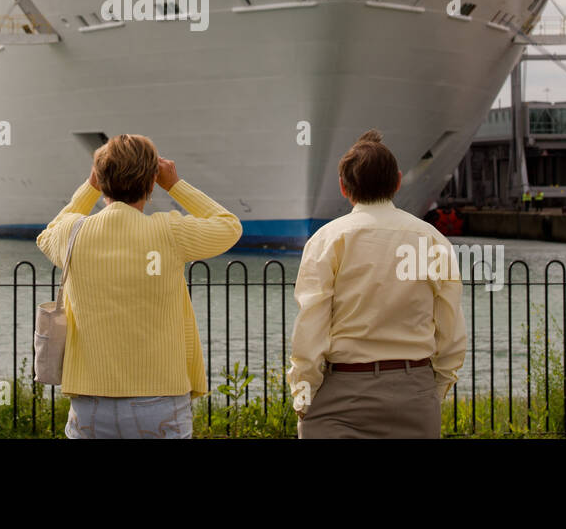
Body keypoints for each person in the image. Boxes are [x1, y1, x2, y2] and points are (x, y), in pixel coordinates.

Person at [36, 133, 241, 439]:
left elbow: (47, 233)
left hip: (91, 400)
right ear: (151, 182)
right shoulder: (168, 231)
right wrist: (175, 185)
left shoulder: (72, 235)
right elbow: (229, 226)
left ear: (100, 179)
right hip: (160, 398)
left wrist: (89, 188)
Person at [288, 130, 467, 438]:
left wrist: (302, 393)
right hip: (413, 391)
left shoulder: (327, 241)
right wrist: (433, 390)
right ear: (397, 182)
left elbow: (310, 330)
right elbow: (451, 330)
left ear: (344, 187)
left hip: (340, 392)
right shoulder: (431, 240)